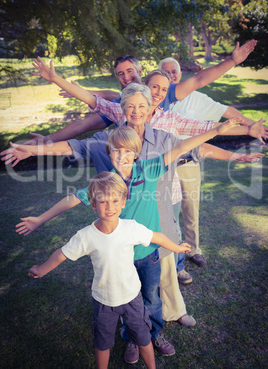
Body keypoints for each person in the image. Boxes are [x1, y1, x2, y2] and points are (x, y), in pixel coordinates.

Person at [2, 84, 260, 363]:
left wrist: (218, 131)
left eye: (128, 153)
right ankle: (133, 338)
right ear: (109, 152)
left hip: (148, 252)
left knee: (151, 297)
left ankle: (152, 333)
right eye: (116, 153)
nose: (122, 158)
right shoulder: (107, 182)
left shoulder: (149, 168)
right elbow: (73, 196)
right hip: (121, 254)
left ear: (137, 153)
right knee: (128, 298)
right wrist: (39, 217)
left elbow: (185, 145)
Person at [25, 58, 266, 286]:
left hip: (163, 190)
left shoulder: (169, 122)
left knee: (166, 238)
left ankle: (174, 272)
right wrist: (55, 81)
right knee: (134, 245)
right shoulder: (124, 114)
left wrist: (243, 134)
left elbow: (199, 135)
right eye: (154, 88)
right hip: (125, 197)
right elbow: (94, 102)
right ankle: (135, 286)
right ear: (145, 87)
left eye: (163, 90)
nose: (158, 94)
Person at [28, 170, 192, 369]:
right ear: (93, 204)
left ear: (123, 202)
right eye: (103, 202)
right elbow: (61, 254)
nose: (109, 207)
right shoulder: (86, 236)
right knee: (102, 342)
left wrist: (177, 247)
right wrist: (42, 269)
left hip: (132, 298)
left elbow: (158, 237)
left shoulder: (131, 227)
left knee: (143, 337)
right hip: (104, 300)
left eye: (115, 201)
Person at [23, 40, 257, 146]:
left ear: (141, 72)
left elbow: (199, 80)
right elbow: (83, 123)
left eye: (130, 71)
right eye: (120, 74)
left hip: (171, 161)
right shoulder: (120, 106)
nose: (126, 78)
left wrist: (232, 61)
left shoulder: (164, 92)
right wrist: (48, 140)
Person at [158, 56, 267, 271]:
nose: (171, 75)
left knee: (191, 207)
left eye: (173, 72)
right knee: (166, 210)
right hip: (162, 166)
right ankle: (170, 253)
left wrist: (250, 125)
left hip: (188, 161)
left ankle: (193, 249)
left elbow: (227, 113)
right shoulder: (156, 99)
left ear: (180, 75)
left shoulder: (196, 98)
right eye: (166, 72)